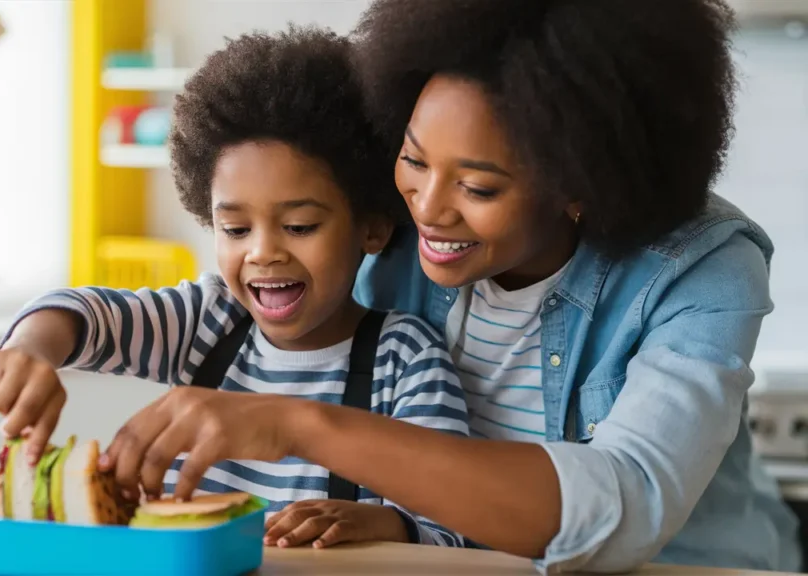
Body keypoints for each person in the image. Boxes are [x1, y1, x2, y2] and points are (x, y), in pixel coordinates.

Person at [94, 0, 803, 573]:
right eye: (412, 159)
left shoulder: (700, 265)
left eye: (478, 185)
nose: (428, 207)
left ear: (580, 183)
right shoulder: (388, 226)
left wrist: (296, 424)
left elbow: (627, 505)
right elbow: (240, 293)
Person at [0, 26, 470, 549]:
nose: (262, 252)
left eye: (299, 226)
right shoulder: (208, 321)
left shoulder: (406, 359)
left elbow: (456, 527)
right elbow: (86, 314)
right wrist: (30, 349)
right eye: (235, 229)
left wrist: (386, 524)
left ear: (372, 226)